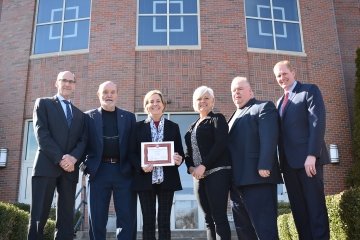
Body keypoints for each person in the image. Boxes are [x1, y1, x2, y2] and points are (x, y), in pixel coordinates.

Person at [273, 60, 330, 240]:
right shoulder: (279, 102)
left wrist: (312, 154)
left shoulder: (309, 91)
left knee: (315, 208)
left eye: (284, 73)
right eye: (278, 76)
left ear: (293, 72)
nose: (282, 78)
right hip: (289, 166)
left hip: (308, 162)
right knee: (299, 211)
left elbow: (317, 122)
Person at [28, 71, 87, 240]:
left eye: (71, 81)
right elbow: (42, 134)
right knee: (39, 216)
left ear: (75, 85)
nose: (67, 84)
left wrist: (73, 158)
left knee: (66, 218)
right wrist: (61, 158)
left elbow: (83, 141)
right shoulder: (43, 104)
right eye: (64, 80)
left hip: (69, 171)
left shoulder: (80, 115)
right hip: (46, 166)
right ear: (57, 83)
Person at [228, 76, 282, 240]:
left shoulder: (263, 107)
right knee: (244, 232)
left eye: (240, 89)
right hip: (236, 184)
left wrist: (265, 164)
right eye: (233, 90)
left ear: (250, 91)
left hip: (258, 179)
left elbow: (269, 137)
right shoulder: (232, 116)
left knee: (265, 231)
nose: (236, 93)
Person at [83, 81, 137, 240]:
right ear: (99, 95)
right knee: (97, 219)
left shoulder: (129, 117)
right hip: (98, 172)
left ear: (117, 95)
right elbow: (81, 143)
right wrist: (85, 167)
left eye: (113, 92)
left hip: (124, 171)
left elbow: (134, 146)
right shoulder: (88, 117)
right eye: (105, 92)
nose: (109, 95)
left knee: (127, 218)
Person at [132, 90, 184, 240]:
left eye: (158, 101)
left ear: (163, 105)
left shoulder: (173, 127)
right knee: (148, 222)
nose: (154, 104)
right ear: (146, 106)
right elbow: (131, 153)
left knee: (164, 222)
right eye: (150, 101)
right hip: (145, 179)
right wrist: (141, 165)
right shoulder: (137, 127)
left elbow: (179, 152)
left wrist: (178, 159)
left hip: (167, 180)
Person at [184, 86, 232, 240]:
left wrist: (203, 165)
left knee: (219, 216)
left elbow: (220, 144)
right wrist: (190, 167)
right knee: (208, 219)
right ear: (194, 103)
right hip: (198, 177)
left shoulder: (217, 119)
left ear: (213, 101)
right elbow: (187, 153)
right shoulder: (191, 127)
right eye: (199, 98)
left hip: (217, 172)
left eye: (206, 98)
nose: (202, 101)